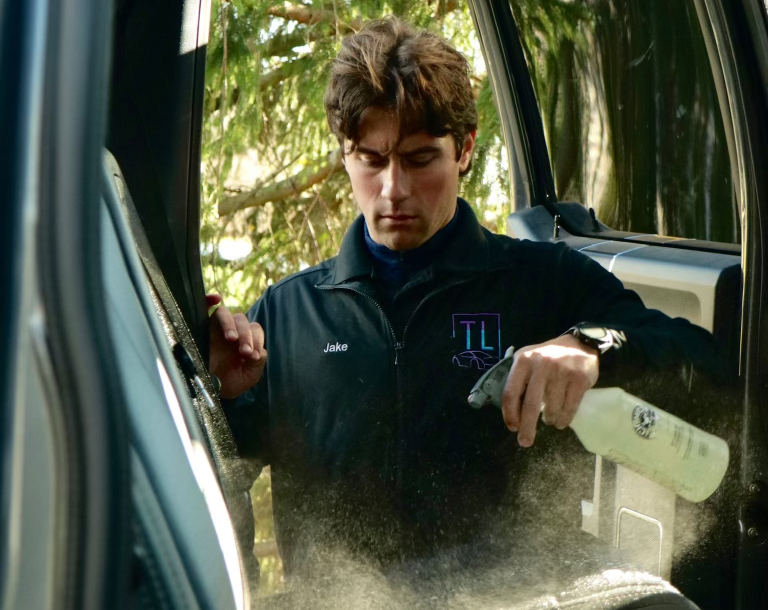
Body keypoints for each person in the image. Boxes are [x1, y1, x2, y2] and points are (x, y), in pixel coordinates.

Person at [208, 16, 723, 579]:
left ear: (466, 149)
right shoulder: (286, 317)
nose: (393, 189)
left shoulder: (546, 282)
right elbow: (203, 501)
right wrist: (222, 405)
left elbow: (711, 370)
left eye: (420, 158)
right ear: (345, 155)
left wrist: (594, 348)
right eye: (371, 159)